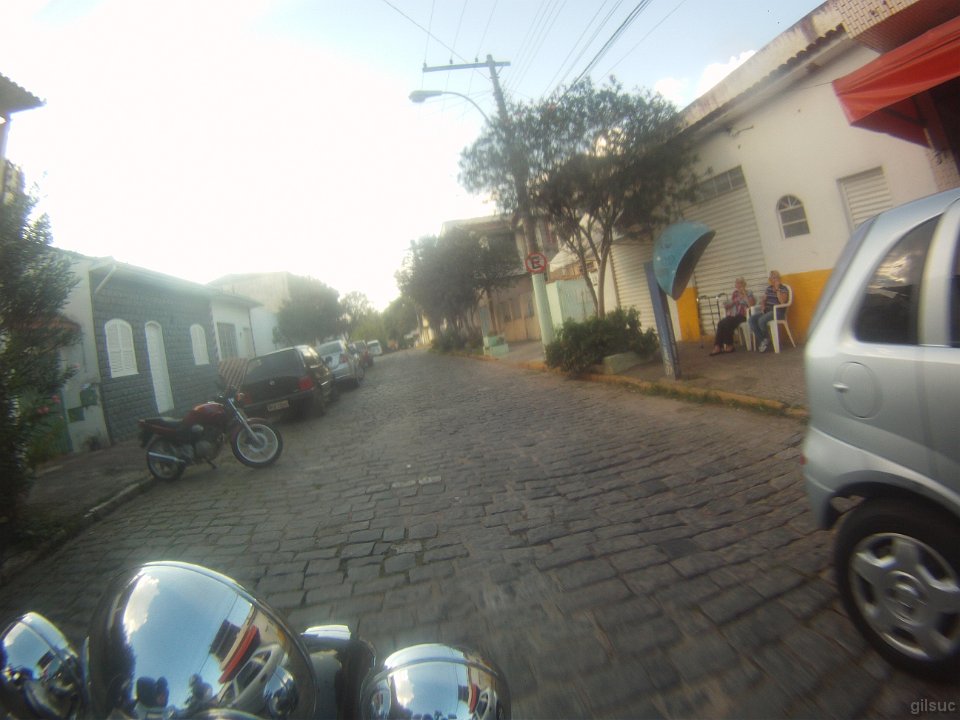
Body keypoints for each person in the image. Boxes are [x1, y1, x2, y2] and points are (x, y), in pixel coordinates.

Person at [710, 277, 755, 355]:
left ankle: (729, 345)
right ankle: (718, 346)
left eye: (740, 283)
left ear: (744, 284)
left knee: (728, 322)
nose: (738, 285)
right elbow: (731, 304)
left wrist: (744, 295)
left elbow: (751, 305)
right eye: (737, 283)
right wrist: (728, 304)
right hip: (733, 315)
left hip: (743, 315)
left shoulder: (749, 292)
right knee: (721, 323)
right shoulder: (735, 293)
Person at [749, 270, 791, 352]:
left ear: (779, 279)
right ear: (770, 279)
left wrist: (778, 290)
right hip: (767, 311)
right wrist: (763, 305)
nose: (774, 280)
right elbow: (763, 300)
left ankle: (766, 339)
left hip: (778, 312)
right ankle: (763, 340)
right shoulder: (768, 289)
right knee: (752, 319)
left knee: (761, 320)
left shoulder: (783, 288)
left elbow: (782, 302)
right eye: (772, 278)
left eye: (776, 278)